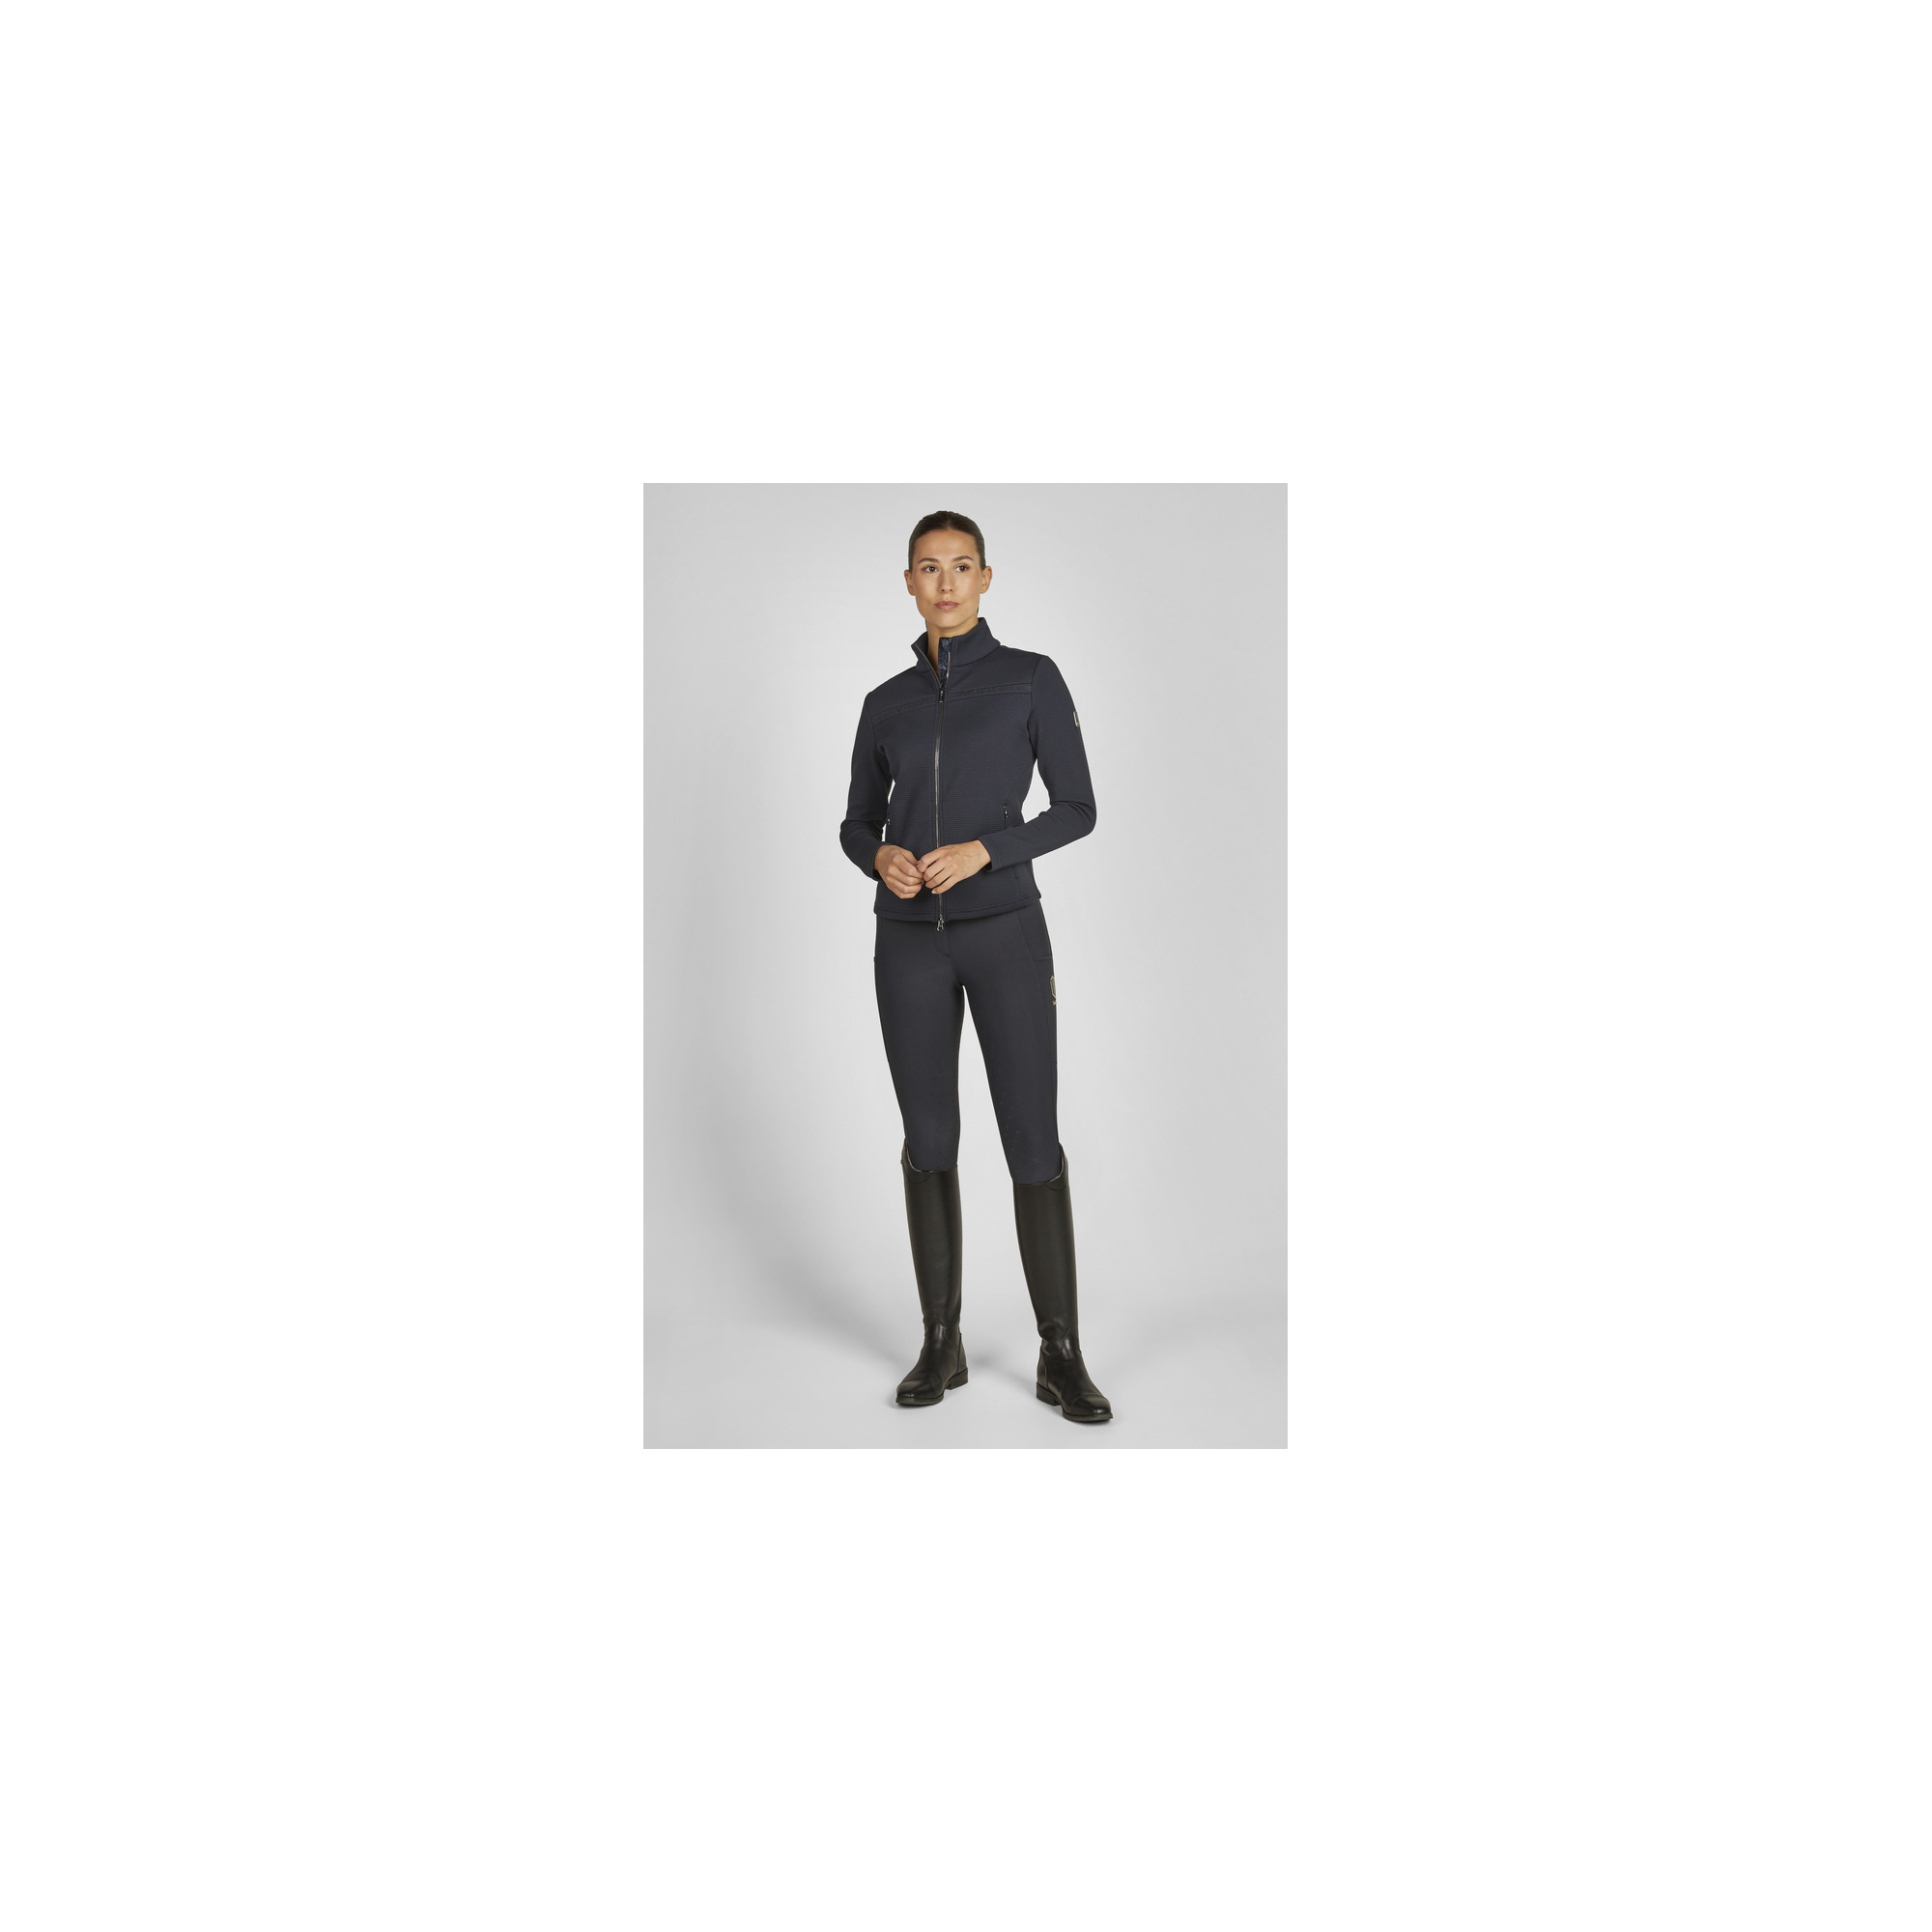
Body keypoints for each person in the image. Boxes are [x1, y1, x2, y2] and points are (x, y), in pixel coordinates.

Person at [838, 512, 1114, 1424]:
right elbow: (856, 822)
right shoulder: (885, 702)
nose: (946, 582)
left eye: (962, 566)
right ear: (909, 582)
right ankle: (940, 1342)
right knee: (930, 1140)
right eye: (929, 567)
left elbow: (1077, 808)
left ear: (986, 578)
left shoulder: (1030, 679)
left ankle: (1061, 1355)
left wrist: (988, 850)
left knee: (1031, 1140)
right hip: (907, 942)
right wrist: (879, 856)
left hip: (1005, 936)